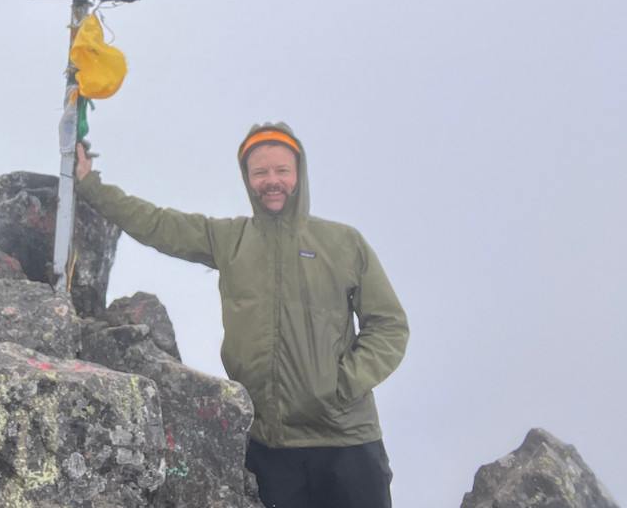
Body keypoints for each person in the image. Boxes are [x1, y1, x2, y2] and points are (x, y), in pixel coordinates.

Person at [74, 122, 408, 508]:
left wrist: (342, 384)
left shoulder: (343, 243)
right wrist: (91, 186)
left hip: (348, 442)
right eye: (260, 172)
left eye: (282, 170)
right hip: (269, 447)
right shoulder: (229, 239)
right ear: (247, 179)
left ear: (299, 173)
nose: (272, 181)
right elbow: (157, 224)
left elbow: (389, 325)